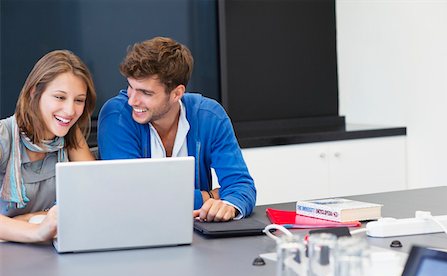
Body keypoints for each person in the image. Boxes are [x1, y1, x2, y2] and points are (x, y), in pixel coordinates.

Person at [98, 37, 256, 222]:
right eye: (131, 87)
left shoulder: (209, 116)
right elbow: (132, 197)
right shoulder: (117, 116)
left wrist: (229, 205)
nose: (132, 100)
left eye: (146, 93)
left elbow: (241, 185)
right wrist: (209, 197)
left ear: (177, 93)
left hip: (197, 237)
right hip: (135, 231)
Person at [0, 50, 97, 242]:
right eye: (60, 97)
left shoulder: (71, 135)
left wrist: (25, 220)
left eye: (79, 100)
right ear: (34, 92)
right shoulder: (3, 135)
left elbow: (95, 197)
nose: (70, 111)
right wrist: (36, 231)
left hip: (49, 253)